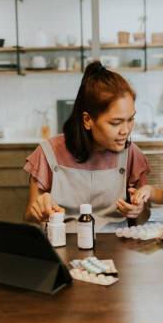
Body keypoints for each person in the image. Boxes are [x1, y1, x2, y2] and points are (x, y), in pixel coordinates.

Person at [24, 61, 150, 232]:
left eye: (130, 119)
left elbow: (142, 220)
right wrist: (39, 211)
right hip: (62, 247)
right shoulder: (48, 153)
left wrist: (138, 210)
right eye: (115, 123)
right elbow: (29, 218)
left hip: (117, 249)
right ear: (88, 120)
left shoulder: (132, 155)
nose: (126, 130)